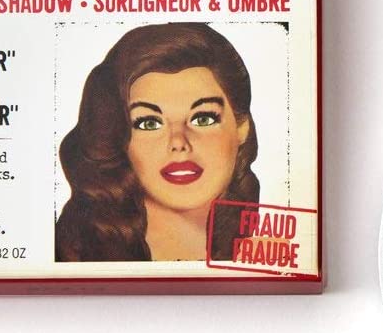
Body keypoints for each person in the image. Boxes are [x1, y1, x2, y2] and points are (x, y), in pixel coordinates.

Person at [55, 23, 258, 261]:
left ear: (241, 128)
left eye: (203, 118)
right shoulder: (69, 253)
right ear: (117, 138)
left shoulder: (271, 255)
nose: (179, 143)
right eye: (149, 123)